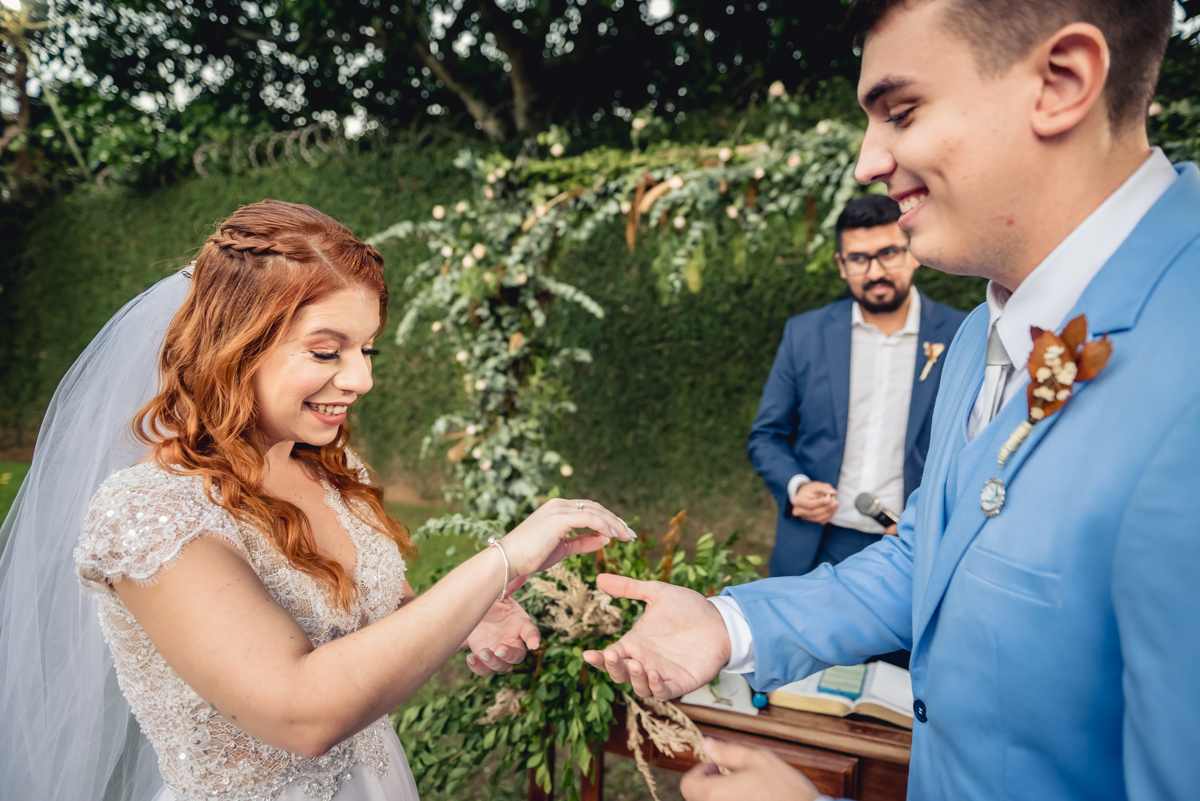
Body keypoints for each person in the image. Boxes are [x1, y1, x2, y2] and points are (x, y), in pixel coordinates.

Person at [584, 1, 1200, 799]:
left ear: (1061, 81)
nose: (869, 161)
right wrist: (729, 624)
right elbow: (930, 559)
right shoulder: (985, 331)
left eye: (901, 112)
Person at [0, 199, 634, 801]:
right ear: (234, 344)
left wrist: (466, 614)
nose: (361, 379)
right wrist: (500, 560)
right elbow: (299, 713)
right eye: (328, 351)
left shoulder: (329, 468)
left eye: (366, 350)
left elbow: (342, 609)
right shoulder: (152, 513)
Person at [749, 193, 965, 579]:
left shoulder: (961, 335)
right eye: (859, 259)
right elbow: (766, 436)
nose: (875, 271)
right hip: (818, 546)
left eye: (888, 254)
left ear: (913, 252)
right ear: (841, 265)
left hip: (912, 548)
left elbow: (973, 448)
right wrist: (796, 487)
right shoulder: (805, 334)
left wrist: (930, 519)